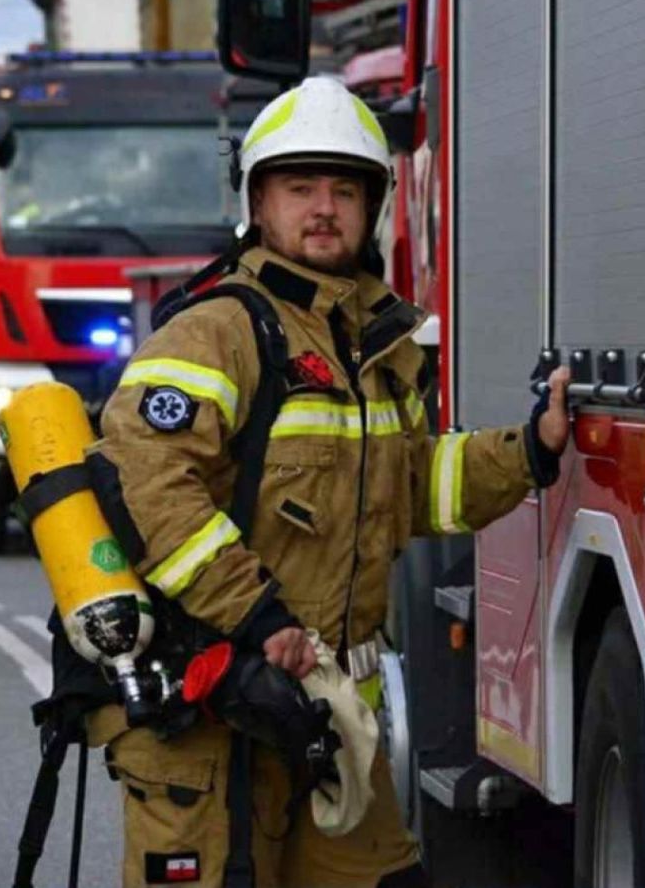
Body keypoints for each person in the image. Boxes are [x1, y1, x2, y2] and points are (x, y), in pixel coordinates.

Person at [87, 75, 571, 887]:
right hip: (214, 719)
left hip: (325, 713)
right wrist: (258, 616)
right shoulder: (216, 332)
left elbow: (412, 485)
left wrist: (529, 451)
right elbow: (148, 482)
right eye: (300, 187)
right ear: (258, 201)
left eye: (345, 190)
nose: (324, 208)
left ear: (373, 205)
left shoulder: (373, 346)